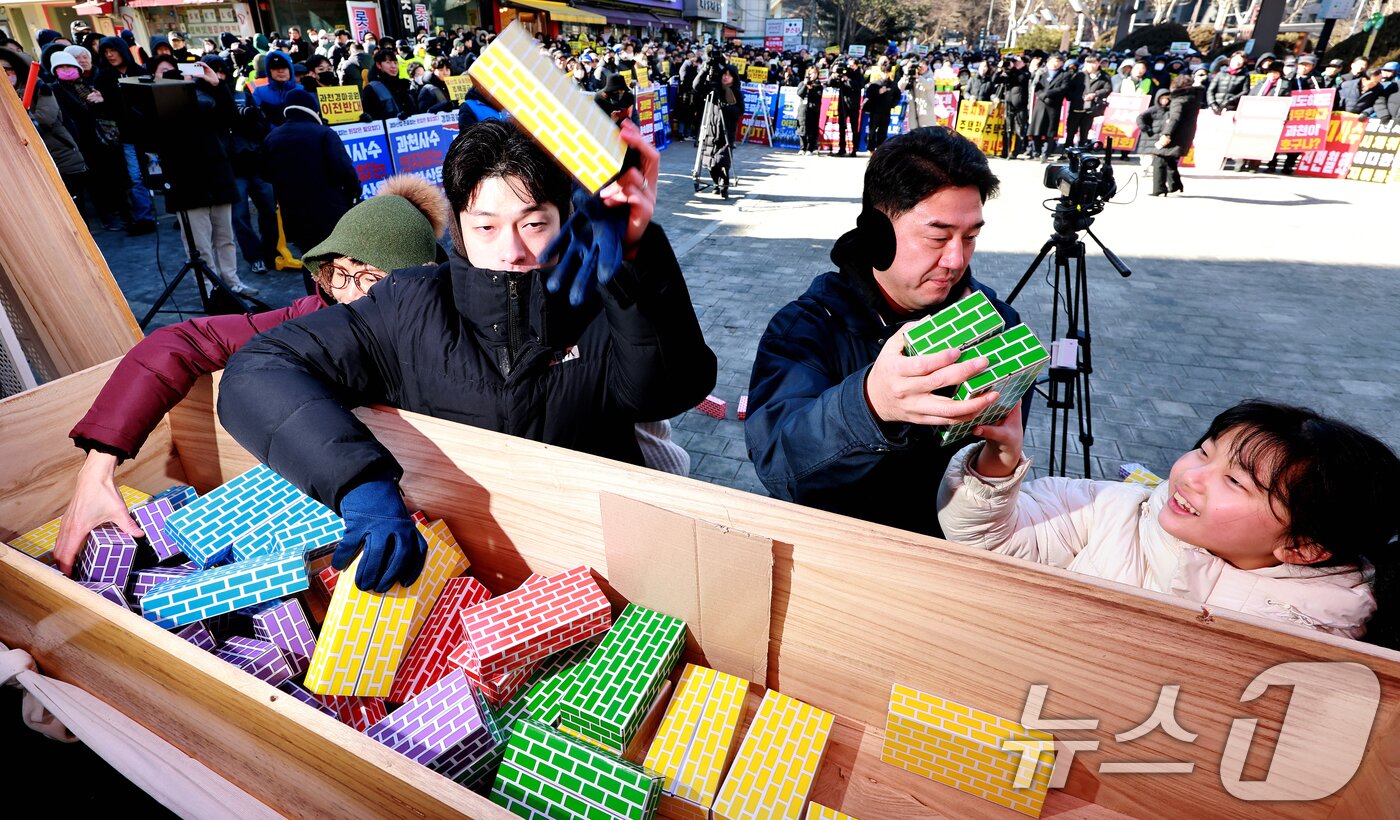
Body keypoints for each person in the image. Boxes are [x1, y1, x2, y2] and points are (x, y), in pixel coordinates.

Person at [216, 118, 715, 592]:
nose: (511, 250)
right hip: (458, 571)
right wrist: (358, 483)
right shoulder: (407, 304)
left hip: (599, 569)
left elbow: (666, 390)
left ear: (566, 218)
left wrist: (637, 261)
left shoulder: (601, 301)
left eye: (535, 223)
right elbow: (262, 369)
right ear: (457, 226)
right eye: (486, 227)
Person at [54, 176, 451, 575]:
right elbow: (178, 344)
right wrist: (98, 468)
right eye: (338, 272)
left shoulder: (455, 337)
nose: (346, 294)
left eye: (371, 279)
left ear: (418, 280)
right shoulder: (310, 317)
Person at [746, 127, 1020, 539]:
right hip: (839, 551)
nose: (955, 259)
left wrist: (999, 465)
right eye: (938, 237)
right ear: (877, 233)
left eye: (971, 237)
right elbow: (780, 468)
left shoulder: (998, 323)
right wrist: (869, 404)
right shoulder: (805, 327)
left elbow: (983, 490)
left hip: (946, 554)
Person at [937, 400, 1400, 639]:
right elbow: (990, 539)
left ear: (1302, 547)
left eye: (1235, 482)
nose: (1192, 476)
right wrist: (1000, 455)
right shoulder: (1113, 510)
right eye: (1203, 451)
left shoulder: (1320, 631)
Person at [146, 56, 257, 296]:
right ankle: (210, 287)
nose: (171, 74)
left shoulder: (206, 94)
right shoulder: (154, 103)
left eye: (174, 70)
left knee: (225, 236)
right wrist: (178, 91)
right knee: (199, 244)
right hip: (187, 182)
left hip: (217, 175)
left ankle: (232, 281)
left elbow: (229, 118)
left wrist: (216, 84)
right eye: (164, 71)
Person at [260, 88, 359, 267]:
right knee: (339, 263)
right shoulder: (323, 133)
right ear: (313, 109)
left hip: (294, 214)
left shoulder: (271, 138)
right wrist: (355, 193)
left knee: (310, 263)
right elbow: (345, 171)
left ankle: (314, 295)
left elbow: (265, 173)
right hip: (330, 211)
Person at [2, 46, 88, 201]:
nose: (6, 75)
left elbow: (44, 119)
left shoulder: (40, 89)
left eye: (9, 70)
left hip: (61, 158)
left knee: (74, 209)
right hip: (32, 165)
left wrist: (20, 116)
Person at [94, 35, 157, 236]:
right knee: (136, 177)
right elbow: (106, 111)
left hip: (149, 133)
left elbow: (150, 102)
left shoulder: (140, 72)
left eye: (112, 50)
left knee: (158, 175)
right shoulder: (103, 77)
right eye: (105, 52)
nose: (110, 55)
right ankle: (144, 218)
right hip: (125, 137)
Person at [1148, 76, 1198, 196]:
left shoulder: (1179, 100)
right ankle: (1175, 185)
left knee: (1159, 158)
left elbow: (1174, 119)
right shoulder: (1194, 97)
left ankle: (1159, 189)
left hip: (1174, 133)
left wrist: (1166, 134)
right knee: (1169, 158)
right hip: (1185, 134)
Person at [698, 64, 743, 198]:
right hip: (710, 131)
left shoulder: (736, 92)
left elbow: (739, 111)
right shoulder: (713, 89)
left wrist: (726, 108)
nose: (726, 77)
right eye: (724, 74)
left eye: (729, 75)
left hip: (726, 132)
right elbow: (696, 86)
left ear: (734, 78)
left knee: (722, 162)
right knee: (710, 163)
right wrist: (705, 69)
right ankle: (717, 184)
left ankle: (724, 187)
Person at [1028, 53, 1073, 160]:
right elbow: (1036, 86)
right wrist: (1041, 95)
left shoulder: (1065, 74)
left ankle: (1046, 152)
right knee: (1036, 129)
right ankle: (1036, 151)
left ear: (1062, 63)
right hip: (1040, 103)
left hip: (1054, 104)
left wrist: (1048, 94)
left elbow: (1064, 88)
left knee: (1050, 131)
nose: (1055, 64)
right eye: (1053, 61)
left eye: (1058, 61)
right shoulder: (1041, 72)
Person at [1066, 55, 1111, 150]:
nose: (1092, 65)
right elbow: (1069, 88)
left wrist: (1095, 94)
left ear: (1099, 63)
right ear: (1085, 64)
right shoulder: (1078, 75)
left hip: (1091, 108)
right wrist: (1075, 98)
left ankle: (1082, 152)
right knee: (1071, 131)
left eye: (1094, 63)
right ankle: (1067, 151)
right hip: (1076, 106)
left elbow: (1108, 89)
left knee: (1085, 131)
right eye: (1089, 63)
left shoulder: (1104, 76)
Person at [361, 47, 417, 119]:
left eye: (395, 62)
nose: (393, 66)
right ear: (379, 65)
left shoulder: (405, 84)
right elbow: (370, 113)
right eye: (388, 62)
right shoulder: (372, 88)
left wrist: (408, 114)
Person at [251, 49, 298, 126]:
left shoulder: (302, 90)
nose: (280, 71)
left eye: (284, 67)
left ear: (290, 69)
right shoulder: (259, 92)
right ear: (269, 71)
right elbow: (257, 119)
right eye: (275, 68)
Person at [829, 57, 862, 156]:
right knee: (841, 127)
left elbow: (858, 86)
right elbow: (831, 83)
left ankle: (854, 149)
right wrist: (834, 75)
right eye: (849, 65)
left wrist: (848, 80)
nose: (850, 67)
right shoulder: (844, 73)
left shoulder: (858, 75)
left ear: (856, 65)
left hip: (853, 105)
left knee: (854, 128)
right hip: (843, 103)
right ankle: (841, 148)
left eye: (852, 65)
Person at [863, 68, 898, 151]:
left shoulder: (893, 84)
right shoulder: (874, 84)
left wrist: (892, 105)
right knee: (872, 131)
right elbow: (868, 95)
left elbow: (897, 96)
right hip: (875, 111)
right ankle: (871, 149)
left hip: (886, 111)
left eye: (887, 72)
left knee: (883, 132)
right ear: (881, 73)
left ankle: (880, 149)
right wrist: (878, 92)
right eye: (884, 73)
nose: (886, 74)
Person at [797, 65, 823, 155]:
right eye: (811, 73)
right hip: (803, 110)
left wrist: (812, 89)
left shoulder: (818, 85)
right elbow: (800, 94)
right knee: (802, 128)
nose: (813, 75)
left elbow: (818, 96)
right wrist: (805, 85)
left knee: (812, 129)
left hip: (813, 109)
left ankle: (810, 148)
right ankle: (802, 148)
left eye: (815, 73)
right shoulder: (802, 83)